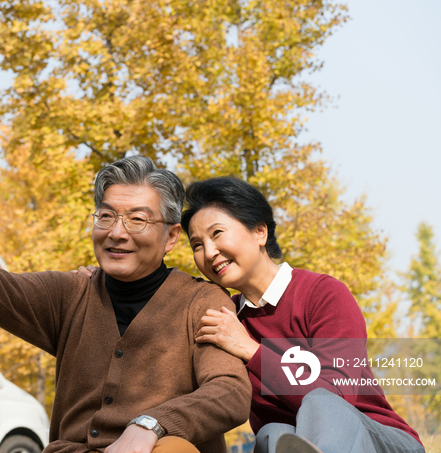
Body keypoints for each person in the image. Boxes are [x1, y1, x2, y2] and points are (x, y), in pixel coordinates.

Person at [0, 156, 252, 453]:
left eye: (137, 219)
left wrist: (153, 425)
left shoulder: (201, 301)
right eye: (106, 216)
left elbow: (229, 391)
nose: (117, 232)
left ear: (172, 236)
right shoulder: (71, 294)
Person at [180, 177, 424, 453]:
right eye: (197, 245)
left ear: (260, 232)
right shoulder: (227, 321)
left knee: (321, 402)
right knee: (271, 433)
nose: (209, 252)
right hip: (295, 443)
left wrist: (251, 350)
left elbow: (336, 396)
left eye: (217, 234)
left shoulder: (323, 293)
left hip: (380, 440)